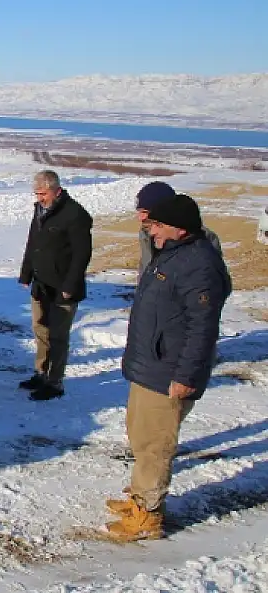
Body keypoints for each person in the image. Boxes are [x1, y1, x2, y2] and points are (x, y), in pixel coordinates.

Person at [104, 193, 231, 541]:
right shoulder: (174, 254)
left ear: (178, 227)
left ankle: (148, 515)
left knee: (155, 445)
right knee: (142, 437)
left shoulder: (199, 265)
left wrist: (186, 376)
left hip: (169, 370)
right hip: (150, 365)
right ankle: (139, 498)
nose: (152, 231)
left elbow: (202, 327)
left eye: (157, 225)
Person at [17, 170, 93, 401]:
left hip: (63, 287)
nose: (39, 198)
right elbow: (33, 244)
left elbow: (82, 255)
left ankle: (55, 382)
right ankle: (41, 373)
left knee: (59, 335)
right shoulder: (40, 210)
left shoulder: (75, 215)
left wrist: (70, 285)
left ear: (56, 191)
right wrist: (26, 274)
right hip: (41, 284)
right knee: (41, 330)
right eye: (37, 193)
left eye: (43, 194)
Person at [133, 181, 222, 284]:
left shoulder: (202, 239)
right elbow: (146, 267)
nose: (140, 218)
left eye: (145, 212)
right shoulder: (145, 232)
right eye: (139, 211)